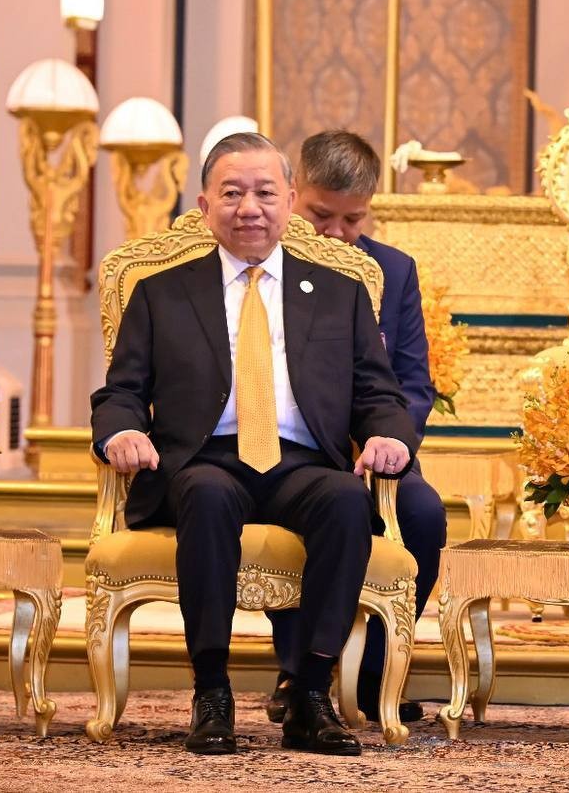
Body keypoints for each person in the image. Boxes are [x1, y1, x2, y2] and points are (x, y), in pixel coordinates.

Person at [91, 132, 417, 756]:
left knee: (346, 500)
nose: (250, 208)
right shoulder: (161, 292)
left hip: (301, 462)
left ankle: (311, 693)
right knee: (208, 495)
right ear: (204, 204)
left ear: (290, 200)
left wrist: (387, 435)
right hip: (204, 459)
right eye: (232, 193)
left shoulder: (340, 293)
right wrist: (122, 431)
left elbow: (379, 393)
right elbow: (122, 391)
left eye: (265, 193)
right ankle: (211, 690)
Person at [265, 129, 446, 726]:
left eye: (353, 219)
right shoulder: (264, 264)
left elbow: (414, 384)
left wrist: (388, 441)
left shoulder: (393, 270)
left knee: (423, 513)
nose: (338, 233)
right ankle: (298, 672)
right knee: (303, 506)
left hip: (376, 453)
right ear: (294, 194)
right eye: (322, 216)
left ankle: (373, 675)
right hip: (294, 449)